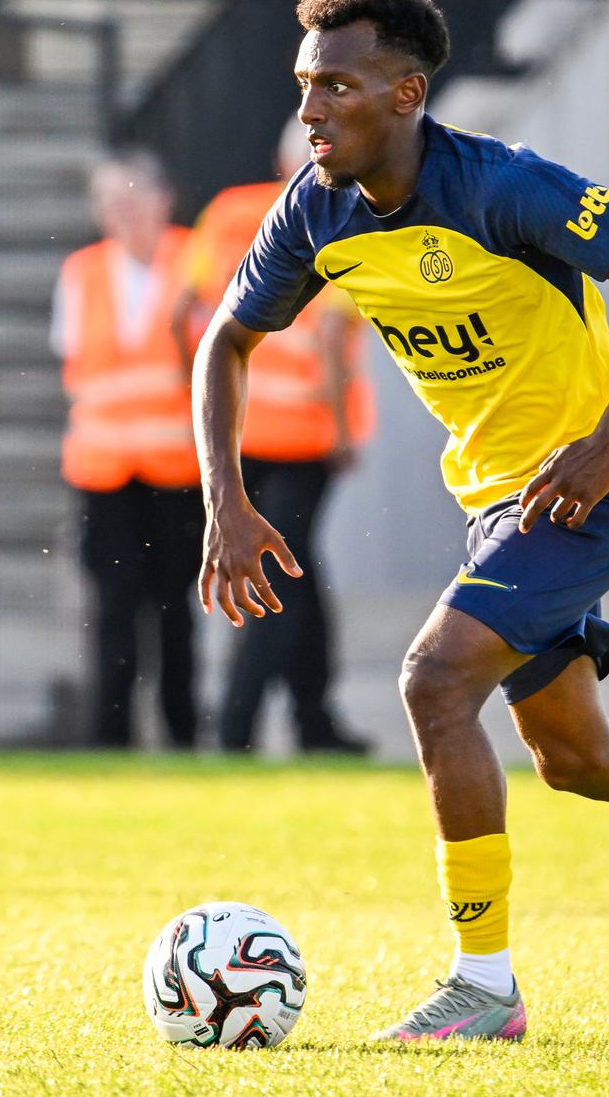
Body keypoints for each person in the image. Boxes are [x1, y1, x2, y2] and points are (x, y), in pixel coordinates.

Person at [192, 0, 609, 1043]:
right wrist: (225, 500)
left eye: (336, 86)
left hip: (589, 491)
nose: (311, 109)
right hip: (494, 503)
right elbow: (224, 343)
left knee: (433, 679)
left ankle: (484, 986)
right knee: (579, 758)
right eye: (304, 85)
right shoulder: (314, 210)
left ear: (407, 93)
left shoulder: (502, 186)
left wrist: (607, 441)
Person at [175, 117, 375, 755]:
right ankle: (237, 727)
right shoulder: (337, 213)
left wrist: (194, 398)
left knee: (296, 567)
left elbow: (185, 311)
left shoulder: (228, 211)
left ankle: (316, 720)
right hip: (302, 435)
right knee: (281, 570)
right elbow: (332, 337)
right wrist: (341, 430)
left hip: (235, 426)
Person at [52, 150, 203, 748]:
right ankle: (109, 737)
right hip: (104, 471)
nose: (124, 212)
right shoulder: (82, 272)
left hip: (175, 469)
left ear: (165, 200)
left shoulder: (196, 258)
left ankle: (181, 732)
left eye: (135, 197)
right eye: (112, 201)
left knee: (175, 608)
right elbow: (75, 362)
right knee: (113, 608)